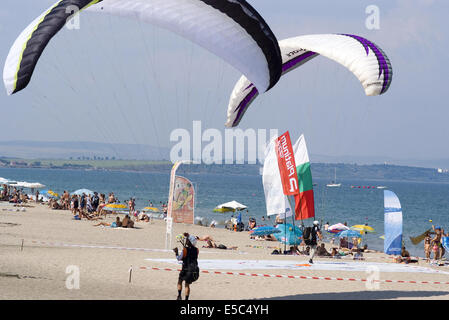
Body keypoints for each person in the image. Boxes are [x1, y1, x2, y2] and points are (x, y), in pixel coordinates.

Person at [174, 233, 199, 300]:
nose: (186, 241)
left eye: (187, 240)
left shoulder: (185, 249)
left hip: (186, 269)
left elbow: (179, 258)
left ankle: (179, 296)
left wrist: (176, 253)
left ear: (190, 241)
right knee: (187, 285)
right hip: (193, 269)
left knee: (180, 281)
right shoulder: (197, 250)